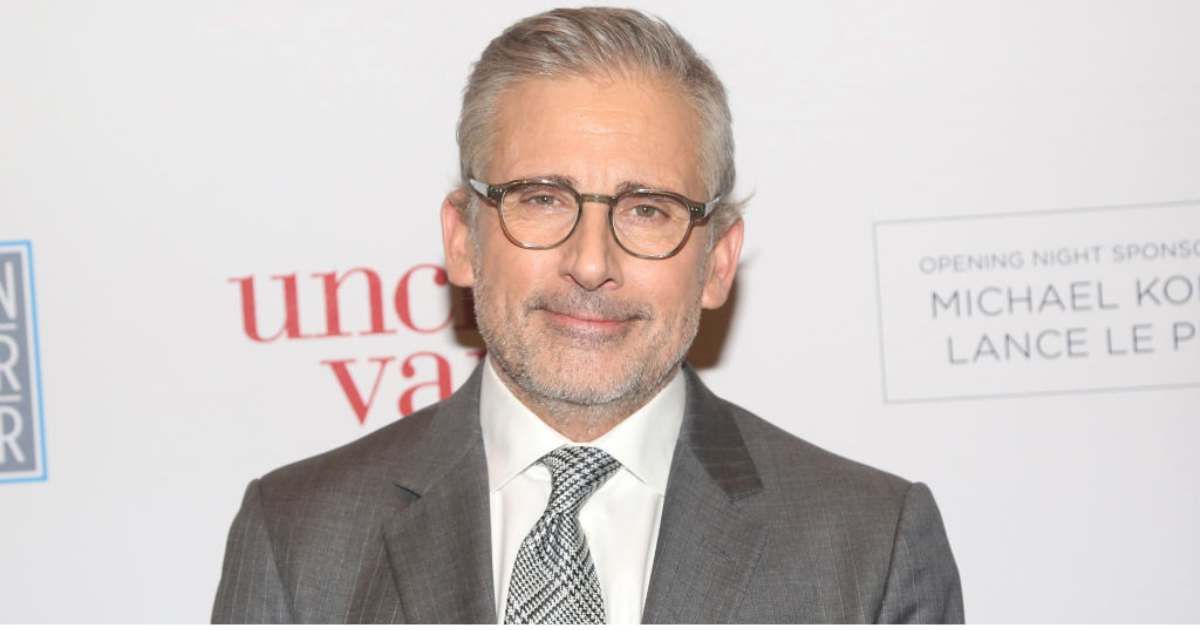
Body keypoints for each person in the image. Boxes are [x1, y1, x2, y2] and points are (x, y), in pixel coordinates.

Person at [212, 7, 963, 624]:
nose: (593, 262)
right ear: (462, 239)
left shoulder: (869, 546)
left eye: (647, 209)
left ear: (719, 260)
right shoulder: (298, 537)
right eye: (542, 199)